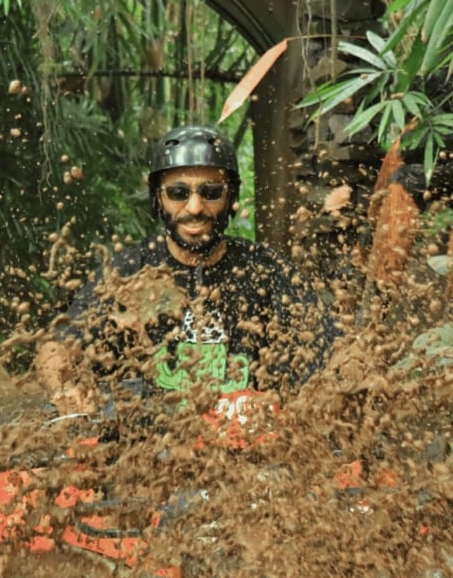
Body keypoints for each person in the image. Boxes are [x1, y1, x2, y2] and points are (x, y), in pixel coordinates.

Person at [34, 124, 336, 414]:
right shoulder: (128, 272)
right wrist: (64, 389)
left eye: (211, 192)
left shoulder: (268, 271)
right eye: (178, 193)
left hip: (253, 448)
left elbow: (328, 354)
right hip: (156, 450)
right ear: (158, 197)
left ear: (231, 197)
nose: (194, 208)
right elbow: (59, 347)